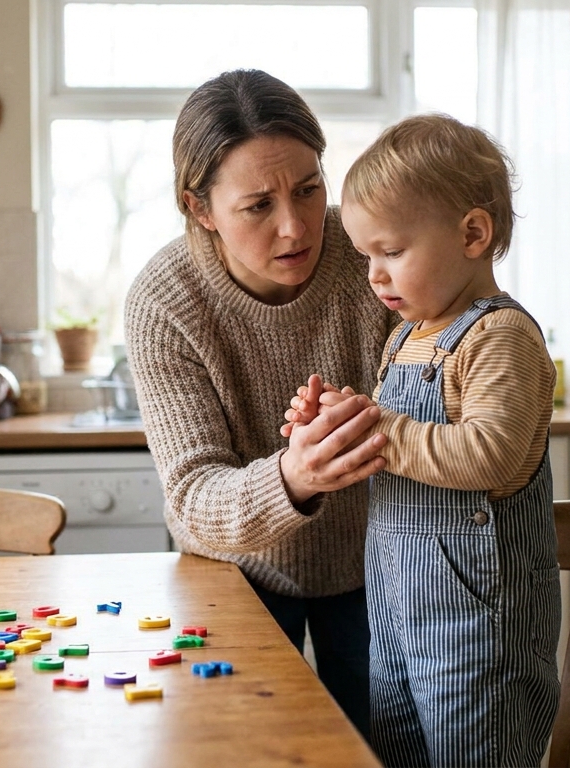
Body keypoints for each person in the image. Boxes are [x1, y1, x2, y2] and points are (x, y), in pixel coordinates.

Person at [123, 69, 399, 736]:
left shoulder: (373, 253)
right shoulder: (164, 301)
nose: (295, 227)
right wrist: (294, 476)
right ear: (199, 208)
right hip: (235, 578)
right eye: (257, 206)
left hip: (381, 567)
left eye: (309, 189)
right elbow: (191, 495)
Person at [285, 114, 561, 767]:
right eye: (365, 257)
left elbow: (490, 451)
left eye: (392, 252)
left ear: (472, 234)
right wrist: (333, 425)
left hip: (479, 632)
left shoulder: (500, 339)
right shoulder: (408, 338)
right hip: (398, 610)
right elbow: (400, 444)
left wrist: (377, 429)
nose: (375, 276)